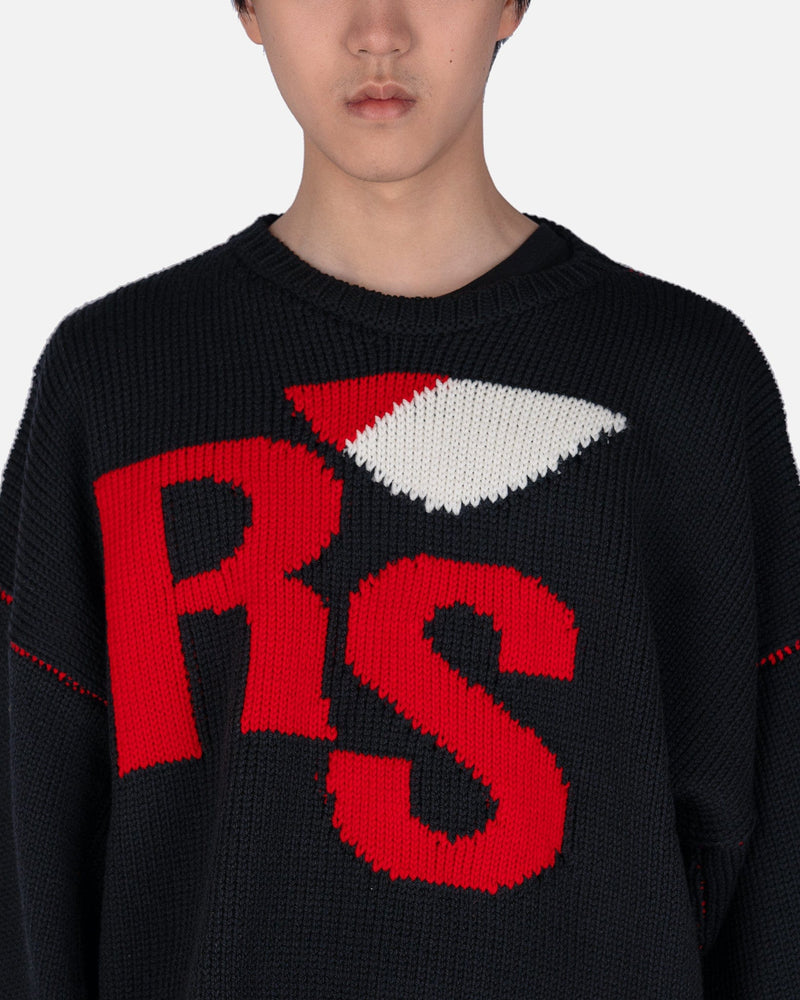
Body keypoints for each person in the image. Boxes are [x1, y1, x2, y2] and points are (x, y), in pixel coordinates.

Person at [1, 0, 798, 996]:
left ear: (512, 4)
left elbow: (770, 869)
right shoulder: (116, 383)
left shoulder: (688, 384)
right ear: (246, 9)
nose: (377, 30)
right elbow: (31, 858)